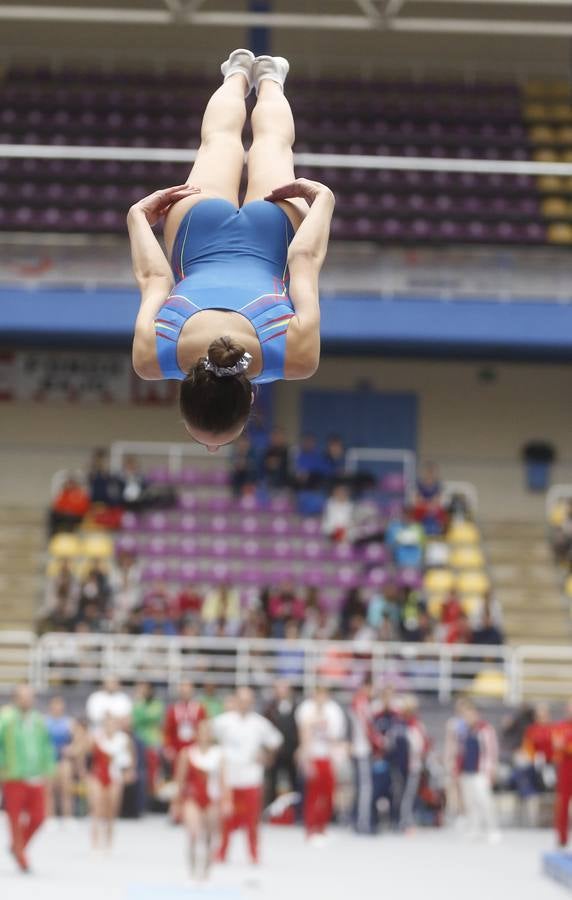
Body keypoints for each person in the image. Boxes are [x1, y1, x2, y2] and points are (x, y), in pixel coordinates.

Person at [128, 50, 334, 452]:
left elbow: (304, 261)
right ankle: (237, 71)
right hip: (196, 229)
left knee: (273, 144)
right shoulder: (151, 359)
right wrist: (137, 217)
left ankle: (271, 77)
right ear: (183, 395)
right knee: (217, 141)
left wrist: (323, 202)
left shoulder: (296, 359)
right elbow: (155, 278)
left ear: (251, 398)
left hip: (272, 235)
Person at [213, 687, 282, 866]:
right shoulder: (223, 721)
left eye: (248, 701)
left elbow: (275, 741)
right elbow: (209, 739)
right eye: (241, 700)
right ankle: (221, 852)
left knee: (252, 820)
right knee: (226, 819)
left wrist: (267, 756)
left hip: (251, 776)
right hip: (229, 776)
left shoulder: (259, 723)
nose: (244, 704)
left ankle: (253, 854)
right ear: (235, 701)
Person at [0, 685, 55, 872]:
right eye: (23, 697)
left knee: (39, 817)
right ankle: (22, 858)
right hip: (14, 775)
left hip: (35, 775)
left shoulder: (38, 720)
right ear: (16, 698)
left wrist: (48, 768)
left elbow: (46, 745)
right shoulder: (6, 719)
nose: (27, 700)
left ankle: (17, 847)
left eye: (30, 697)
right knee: (14, 819)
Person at [175, 719, 229, 883]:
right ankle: (192, 868)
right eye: (202, 732)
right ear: (197, 734)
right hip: (193, 797)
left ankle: (206, 868)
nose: (205, 735)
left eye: (208, 732)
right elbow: (180, 780)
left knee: (210, 836)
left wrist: (227, 800)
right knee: (193, 832)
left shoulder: (218, 755)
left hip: (211, 798)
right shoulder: (187, 753)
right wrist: (176, 803)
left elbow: (223, 781)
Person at [295, 686, 347, 844]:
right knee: (313, 795)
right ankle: (310, 829)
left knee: (328, 795)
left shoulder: (333, 711)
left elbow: (335, 737)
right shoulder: (306, 710)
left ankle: (322, 827)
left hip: (328, 756)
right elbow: (304, 735)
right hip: (314, 756)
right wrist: (306, 759)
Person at [87, 713, 135, 850]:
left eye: (113, 724)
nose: (110, 727)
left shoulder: (123, 739)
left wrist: (129, 771)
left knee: (111, 810)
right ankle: (95, 842)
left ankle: (109, 841)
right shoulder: (96, 737)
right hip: (98, 774)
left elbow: (130, 758)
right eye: (107, 724)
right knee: (96, 808)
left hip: (115, 775)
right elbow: (87, 755)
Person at [457, 699, 501, 843]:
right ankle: (474, 828)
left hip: (481, 771)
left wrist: (491, 769)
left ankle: (493, 829)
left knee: (484, 800)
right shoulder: (465, 731)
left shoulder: (485, 730)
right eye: (465, 715)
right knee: (470, 802)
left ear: (476, 714)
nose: (468, 718)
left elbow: (491, 751)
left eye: (470, 715)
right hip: (467, 770)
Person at [263, 680, 299, 806]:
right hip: (275, 752)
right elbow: (266, 729)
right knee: (272, 781)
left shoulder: (297, 707)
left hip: (291, 750)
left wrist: (298, 749)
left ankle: (295, 811)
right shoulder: (269, 708)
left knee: (294, 780)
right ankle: (271, 809)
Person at [44, 695, 75, 823]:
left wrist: (70, 748)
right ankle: (49, 817)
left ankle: (67, 817)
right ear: (50, 708)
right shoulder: (44, 722)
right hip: (49, 760)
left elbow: (78, 739)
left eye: (59, 707)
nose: (57, 709)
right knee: (49, 790)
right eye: (55, 706)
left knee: (66, 789)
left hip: (63, 760)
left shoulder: (69, 722)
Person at [132, 682, 165, 800]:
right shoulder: (138, 703)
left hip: (152, 743)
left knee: (153, 774)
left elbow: (152, 717)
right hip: (139, 744)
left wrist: (141, 710)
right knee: (139, 774)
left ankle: (153, 800)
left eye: (145, 689)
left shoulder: (157, 704)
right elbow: (135, 718)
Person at [552, 700, 572, 847]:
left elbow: (564, 746)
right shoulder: (560, 727)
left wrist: (565, 746)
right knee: (563, 803)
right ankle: (562, 838)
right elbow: (557, 746)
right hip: (566, 768)